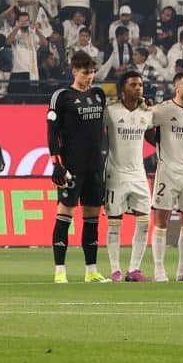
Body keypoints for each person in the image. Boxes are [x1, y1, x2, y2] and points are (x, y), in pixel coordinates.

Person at [47, 50, 109, 283]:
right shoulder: (61, 96)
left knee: (92, 217)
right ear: (74, 71)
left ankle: (91, 270)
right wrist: (56, 163)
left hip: (94, 167)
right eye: (86, 72)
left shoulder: (99, 95)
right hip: (71, 166)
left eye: (93, 72)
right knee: (65, 215)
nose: (90, 76)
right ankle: (60, 271)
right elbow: (52, 132)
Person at [146, 70, 183, 281]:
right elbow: (146, 130)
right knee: (161, 221)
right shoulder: (161, 110)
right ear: (177, 88)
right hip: (167, 171)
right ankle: (159, 269)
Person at [102, 70, 155, 281]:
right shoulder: (111, 111)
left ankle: (134, 269)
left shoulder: (146, 112)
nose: (138, 88)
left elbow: (153, 137)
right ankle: (115, 269)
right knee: (115, 222)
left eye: (140, 85)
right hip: (116, 174)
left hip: (138, 174)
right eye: (133, 84)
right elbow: (96, 133)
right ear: (123, 88)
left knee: (144, 221)